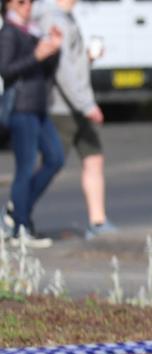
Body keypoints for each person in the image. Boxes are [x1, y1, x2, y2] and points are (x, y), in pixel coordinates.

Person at [32, 0, 116, 239]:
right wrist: (87, 105)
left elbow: (72, 64)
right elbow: (62, 71)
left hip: (77, 105)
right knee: (50, 164)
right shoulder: (53, 18)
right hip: (63, 107)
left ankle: (98, 222)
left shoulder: (66, 17)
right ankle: (15, 211)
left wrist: (88, 57)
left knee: (94, 159)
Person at [0, 0, 63, 248]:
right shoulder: (9, 33)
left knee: (55, 157)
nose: (27, 6)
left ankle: (17, 210)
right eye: (21, 2)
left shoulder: (33, 31)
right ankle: (21, 227)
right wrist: (36, 56)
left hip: (38, 106)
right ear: (9, 6)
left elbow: (45, 71)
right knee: (25, 167)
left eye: (30, 1)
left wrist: (53, 49)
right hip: (20, 108)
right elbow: (5, 70)